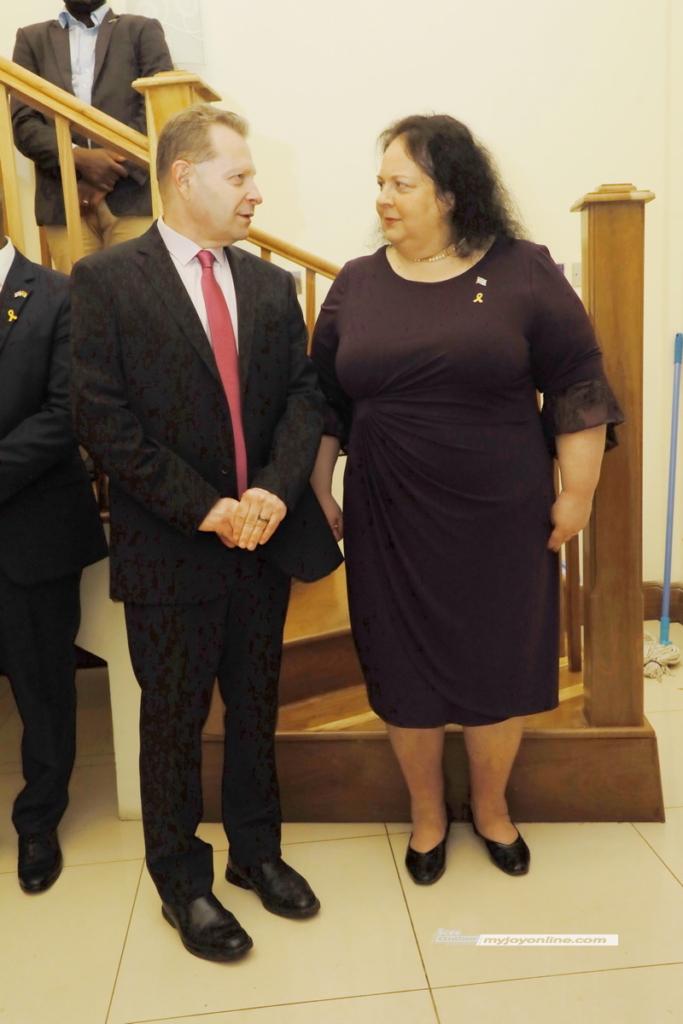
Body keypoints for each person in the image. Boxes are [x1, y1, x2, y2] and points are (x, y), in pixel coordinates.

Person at [310, 114, 624, 885]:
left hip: (499, 512)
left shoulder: (522, 270)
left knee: (496, 662)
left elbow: (577, 381)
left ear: (450, 193)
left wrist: (577, 494)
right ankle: (426, 815)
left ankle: (490, 808)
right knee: (400, 667)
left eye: (401, 184)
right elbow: (322, 400)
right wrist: (318, 482)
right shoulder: (355, 283)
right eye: (380, 182)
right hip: (387, 514)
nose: (382, 197)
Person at [69, 104, 341, 962]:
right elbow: (101, 418)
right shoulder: (106, 280)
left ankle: (255, 854)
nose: (256, 193)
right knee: (173, 725)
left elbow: (303, 397)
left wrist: (270, 493)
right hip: (171, 550)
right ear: (183, 178)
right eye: (240, 176)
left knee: (254, 712)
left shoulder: (267, 285)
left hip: (262, 544)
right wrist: (205, 508)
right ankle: (181, 883)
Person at [0, 182, 108, 894]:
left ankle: (39, 819)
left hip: (32, 532)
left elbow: (67, 411)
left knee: (42, 687)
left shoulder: (59, 294)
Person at [11, 1, 173, 273]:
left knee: (137, 294)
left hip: (133, 194)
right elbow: (24, 122)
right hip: (63, 200)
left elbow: (159, 108)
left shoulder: (141, 30)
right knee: (76, 296)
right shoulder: (32, 39)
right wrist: (77, 158)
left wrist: (106, 172)